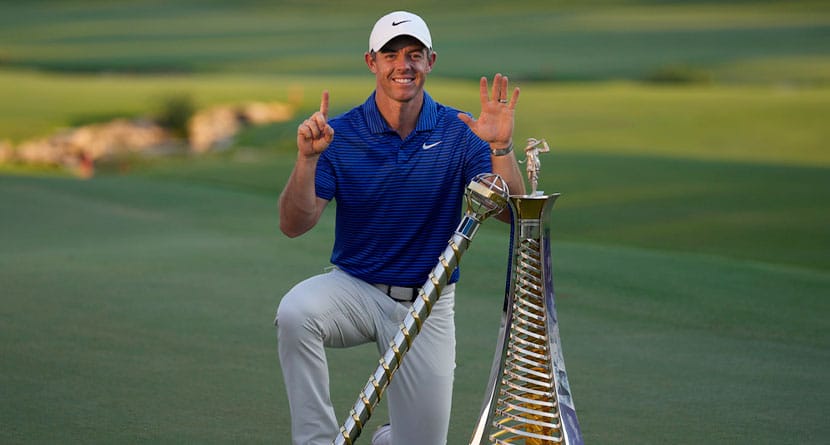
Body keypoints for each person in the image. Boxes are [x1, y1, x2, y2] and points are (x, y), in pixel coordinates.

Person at [275, 10, 526, 445]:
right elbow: (294, 224)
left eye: (414, 54)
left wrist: (500, 147)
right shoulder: (340, 134)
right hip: (355, 289)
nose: (402, 65)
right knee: (296, 313)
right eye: (390, 54)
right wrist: (306, 160)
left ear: (431, 61)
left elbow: (514, 213)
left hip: (427, 303)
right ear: (372, 62)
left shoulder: (461, 131)